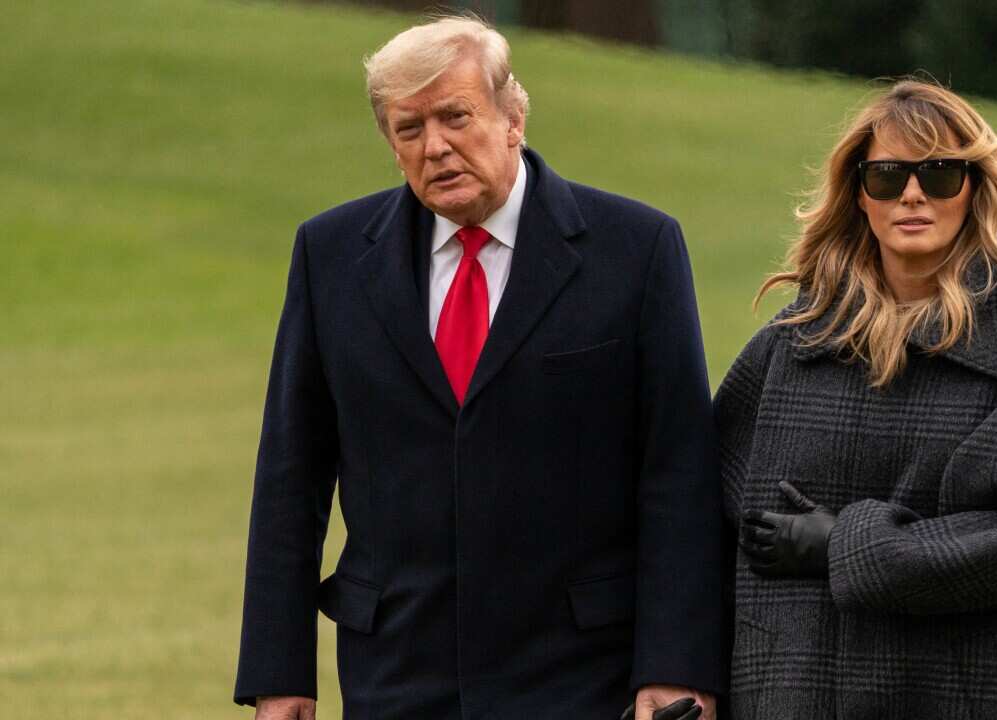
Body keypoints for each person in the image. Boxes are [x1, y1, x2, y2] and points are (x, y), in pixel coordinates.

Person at [233, 16, 724, 720]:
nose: (436, 146)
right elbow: (290, 477)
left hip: (581, 676)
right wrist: (280, 677)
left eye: (455, 116)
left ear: (513, 116)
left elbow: (678, 472)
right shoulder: (329, 256)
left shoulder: (637, 251)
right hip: (395, 673)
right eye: (410, 129)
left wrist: (677, 668)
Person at [714, 80, 997, 719]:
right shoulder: (790, 344)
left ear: (976, 190)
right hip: (799, 695)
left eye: (939, 174)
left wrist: (844, 545)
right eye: (887, 176)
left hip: (980, 697)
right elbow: (705, 524)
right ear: (860, 196)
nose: (911, 193)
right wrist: (682, 678)